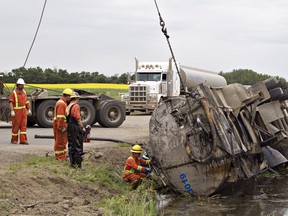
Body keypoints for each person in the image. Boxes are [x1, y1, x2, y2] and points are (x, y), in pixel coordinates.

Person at [9, 78, 31, 145]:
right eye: (21, 85)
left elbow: (26, 101)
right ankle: (14, 140)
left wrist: (28, 109)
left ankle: (23, 140)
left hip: (23, 111)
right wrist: (12, 111)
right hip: (16, 112)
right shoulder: (14, 93)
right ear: (18, 85)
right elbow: (11, 102)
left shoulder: (24, 92)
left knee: (23, 126)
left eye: (23, 85)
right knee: (16, 126)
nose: (22, 86)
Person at [66, 92, 85, 168]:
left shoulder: (69, 106)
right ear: (76, 98)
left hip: (69, 127)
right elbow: (77, 117)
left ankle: (72, 163)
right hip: (75, 126)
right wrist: (82, 127)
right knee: (78, 145)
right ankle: (78, 165)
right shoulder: (76, 106)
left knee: (71, 145)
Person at [53, 88, 73, 160]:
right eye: (70, 97)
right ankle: (60, 157)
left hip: (59, 125)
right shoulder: (61, 104)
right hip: (60, 126)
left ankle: (62, 156)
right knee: (60, 142)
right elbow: (60, 117)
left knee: (62, 141)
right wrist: (61, 127)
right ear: (67, 96)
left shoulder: (61, 102)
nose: (70, 99)